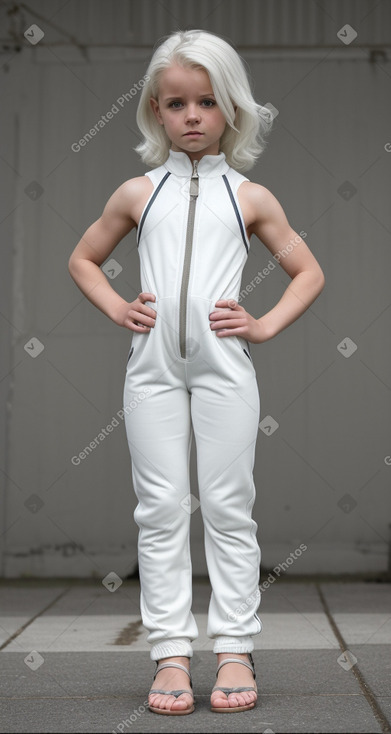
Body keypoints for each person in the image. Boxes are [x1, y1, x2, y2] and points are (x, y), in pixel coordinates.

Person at [68, 28, 325, 716]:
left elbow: (308, 271)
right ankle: (171, 655)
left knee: (228, 508)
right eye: (176, 102)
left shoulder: (250, 197)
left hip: (224, 373)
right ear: (155, 108)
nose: (191, 115)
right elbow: (82, 258)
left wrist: (262, 325)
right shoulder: (135, 192)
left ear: (229, 110)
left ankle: (234, 647)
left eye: (206, 102)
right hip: (150, 373)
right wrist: (120, 306)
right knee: (158, 511)